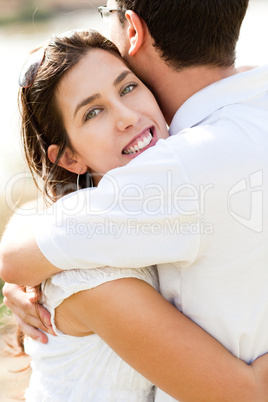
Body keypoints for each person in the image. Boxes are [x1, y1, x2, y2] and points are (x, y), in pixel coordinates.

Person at [1, 0, 268, 399]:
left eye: (128, 87)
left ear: (133, 29)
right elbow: (246, 392)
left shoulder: (177, 166)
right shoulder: (94, 272)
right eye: (92, 113)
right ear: (68, 157)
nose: (126, 115)